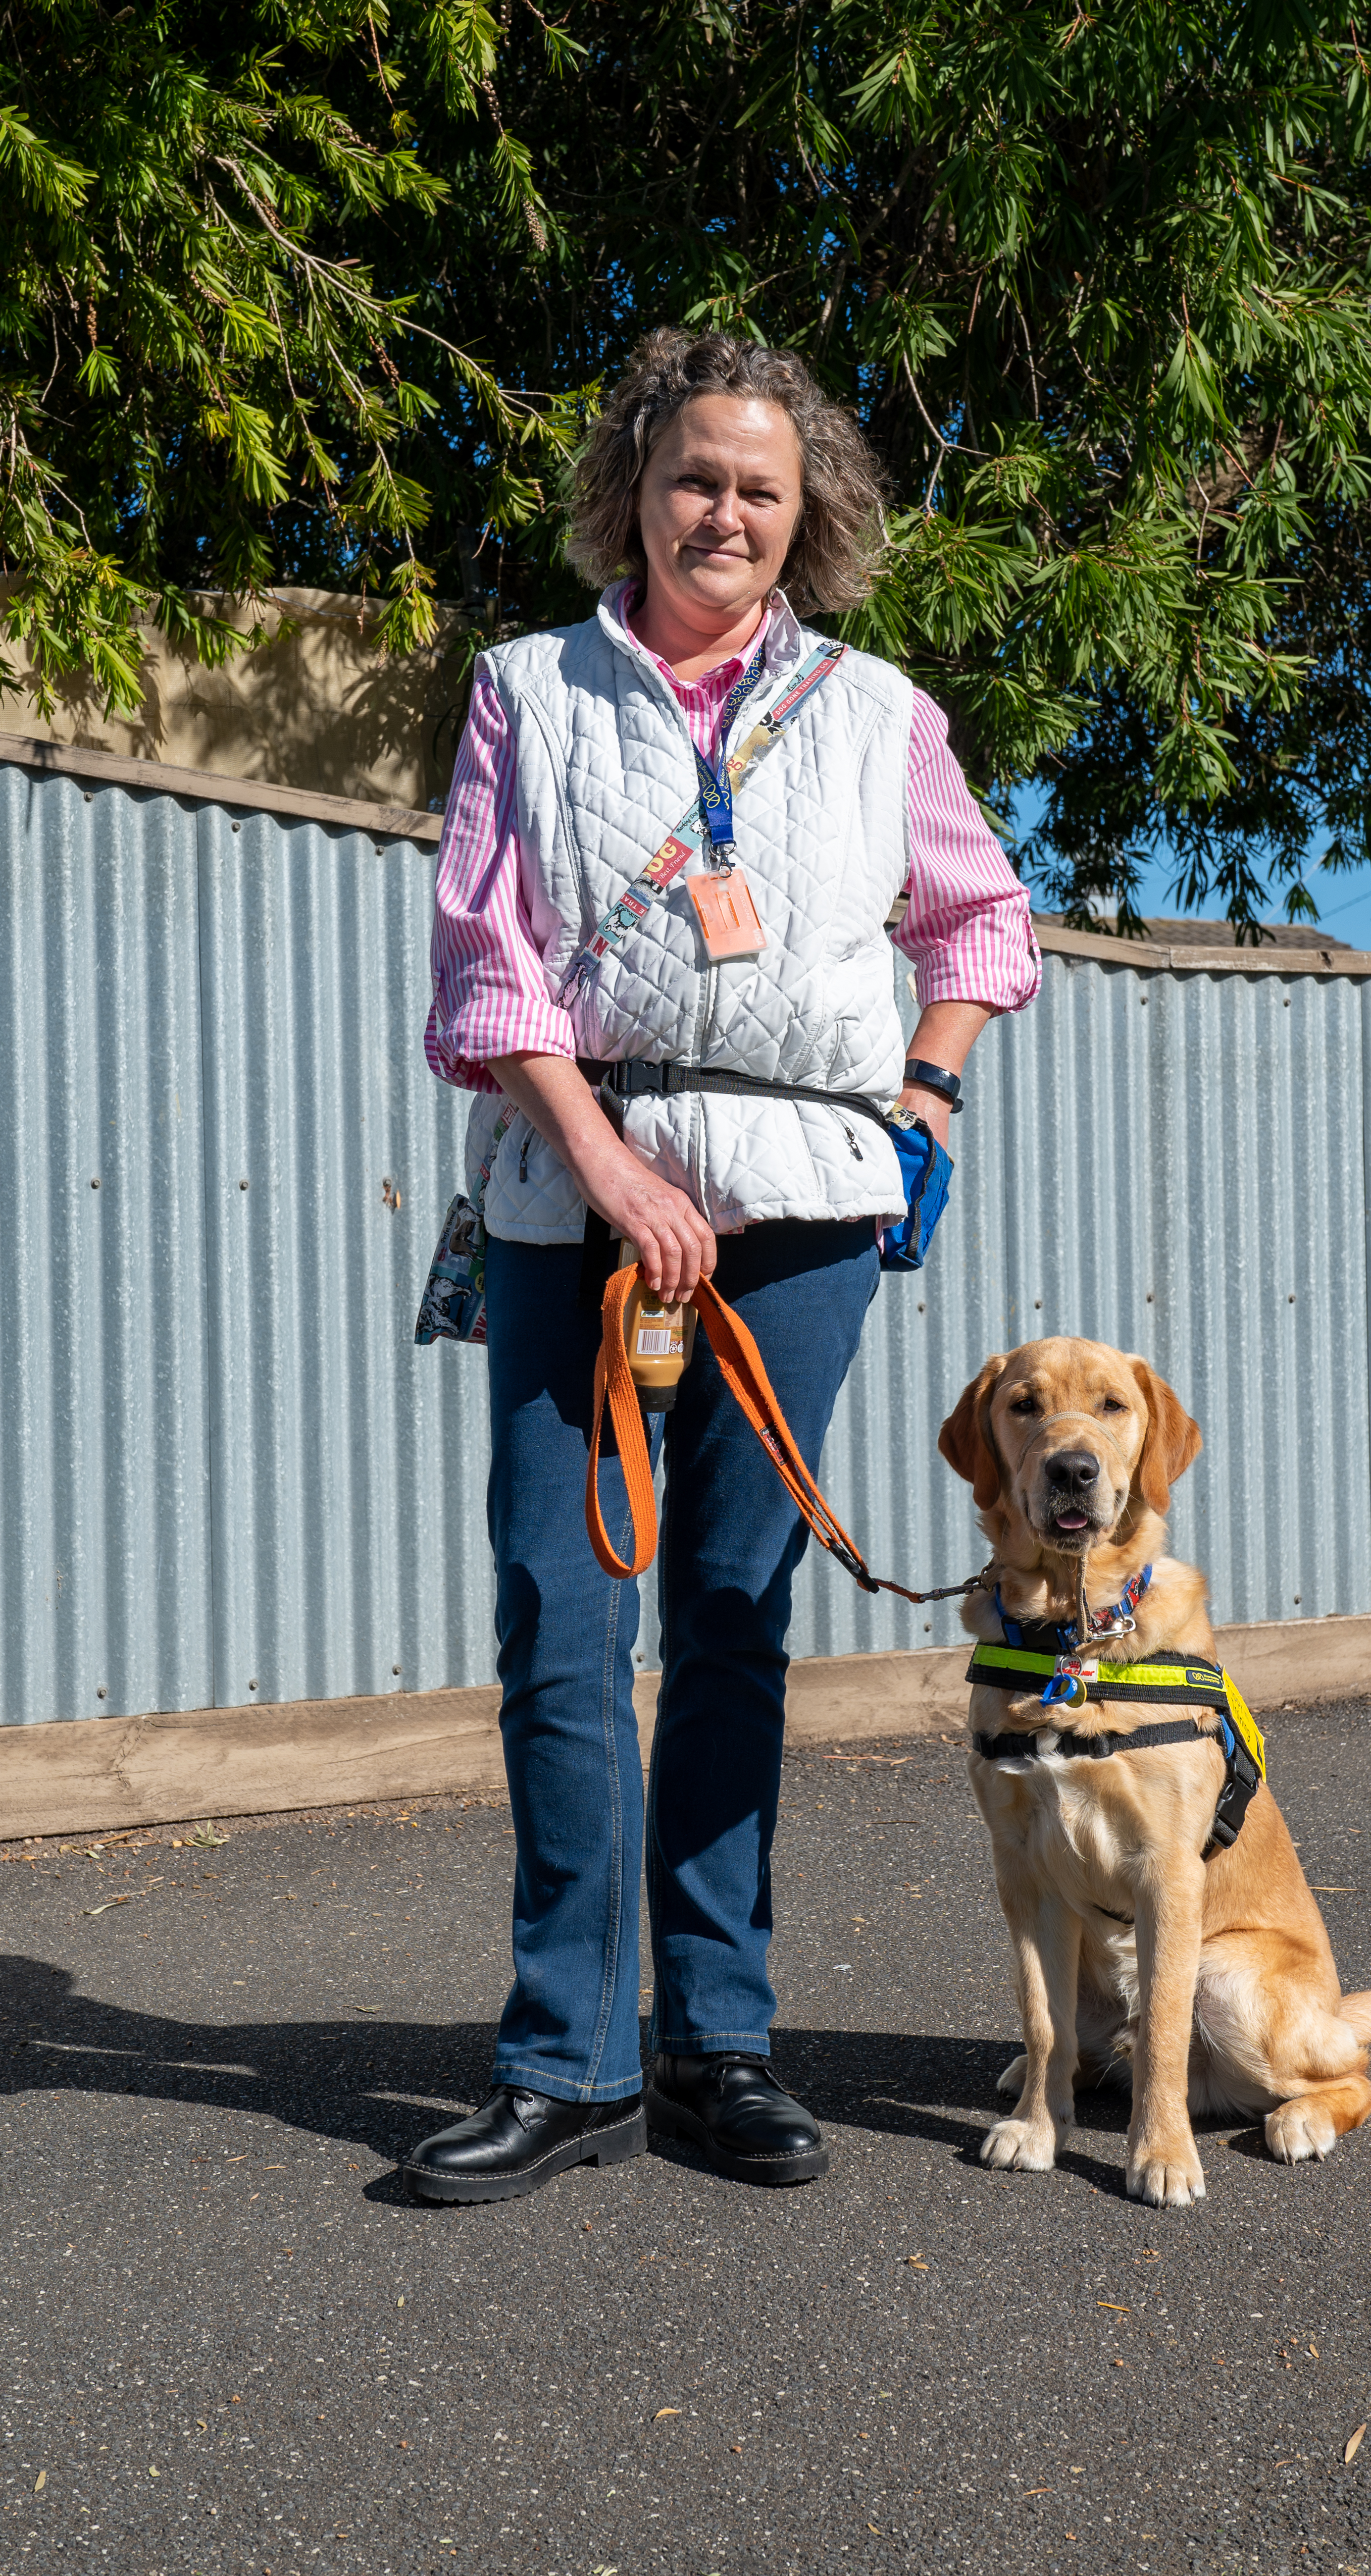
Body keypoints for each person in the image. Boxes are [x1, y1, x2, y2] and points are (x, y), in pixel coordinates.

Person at [405, 329, 1039, 2202]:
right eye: (697, 477)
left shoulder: (872, 706)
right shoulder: (532, 687)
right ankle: (565, 2060)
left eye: (763, 488)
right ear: (638, 488)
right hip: (569, 1189)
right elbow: (486, 964)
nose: (726, 512)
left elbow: (982, 916)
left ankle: (720, 2045)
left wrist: (924, 1096)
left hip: (807, 1197)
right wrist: (603, 1164)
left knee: (738, 1620)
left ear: (807, 514)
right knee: (560, 1617)